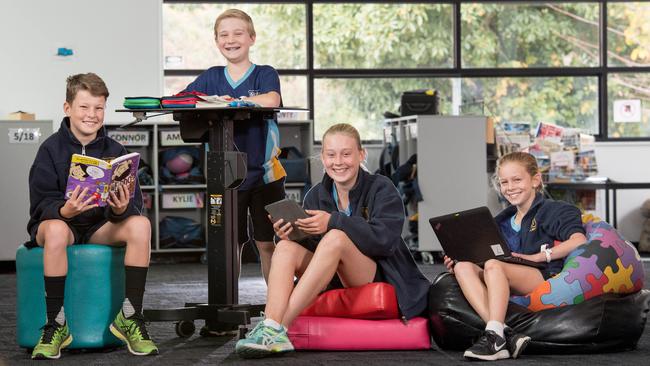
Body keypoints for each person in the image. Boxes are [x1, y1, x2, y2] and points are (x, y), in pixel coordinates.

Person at [234, 123, 430, 359]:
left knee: (336, 236)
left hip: (375, 272)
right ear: (322, 158)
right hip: (333, 273)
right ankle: (271, 323)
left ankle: (277, 328)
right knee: (285, 247)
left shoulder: (382, 188)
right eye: (331, 155)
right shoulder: (317, 194)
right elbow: (313, 246)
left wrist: (334, 222)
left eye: (346, 154)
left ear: (361, 155)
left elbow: (385, 242)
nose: (339, 162)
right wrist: (288, 232)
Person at [27, 73, 158, 359]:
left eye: (98, 108)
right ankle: (56, 324)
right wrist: (64, 211)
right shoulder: (50, 149)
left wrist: (122, 209)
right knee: (57, 230)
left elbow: (131, 205)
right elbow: (39, 203)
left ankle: (131, 316)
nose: (92, 115)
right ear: (68, 108)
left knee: (140, 225)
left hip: (100, 226)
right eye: (84, 107)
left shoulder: (116, 150)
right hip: (60, 224)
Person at [444, 151, 587, 361]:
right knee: (462, 267)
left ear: (536, 180)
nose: (510, 188)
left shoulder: (555, 210)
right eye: (504, 182)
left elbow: (578, 240)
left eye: (517, 180)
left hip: (542, 275)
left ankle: (494, 337)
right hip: (502, 272)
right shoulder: (500, 220)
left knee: (494, 265)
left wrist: (539, 257)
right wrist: (460, 258)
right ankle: (503, 333)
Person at [183, 8, 285, 284]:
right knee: (229, 244)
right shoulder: (210, 76)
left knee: (268, 243)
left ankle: (276, 310)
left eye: (238, 33)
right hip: (226, 178)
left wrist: (235, 103)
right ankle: (226, 308)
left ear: (251, 38)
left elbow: (272, 99)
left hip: (265, 175)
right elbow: (182, 99)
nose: (231, 40)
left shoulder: (264, 73)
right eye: (224, 35)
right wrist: (212, 99)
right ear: (217, 42)